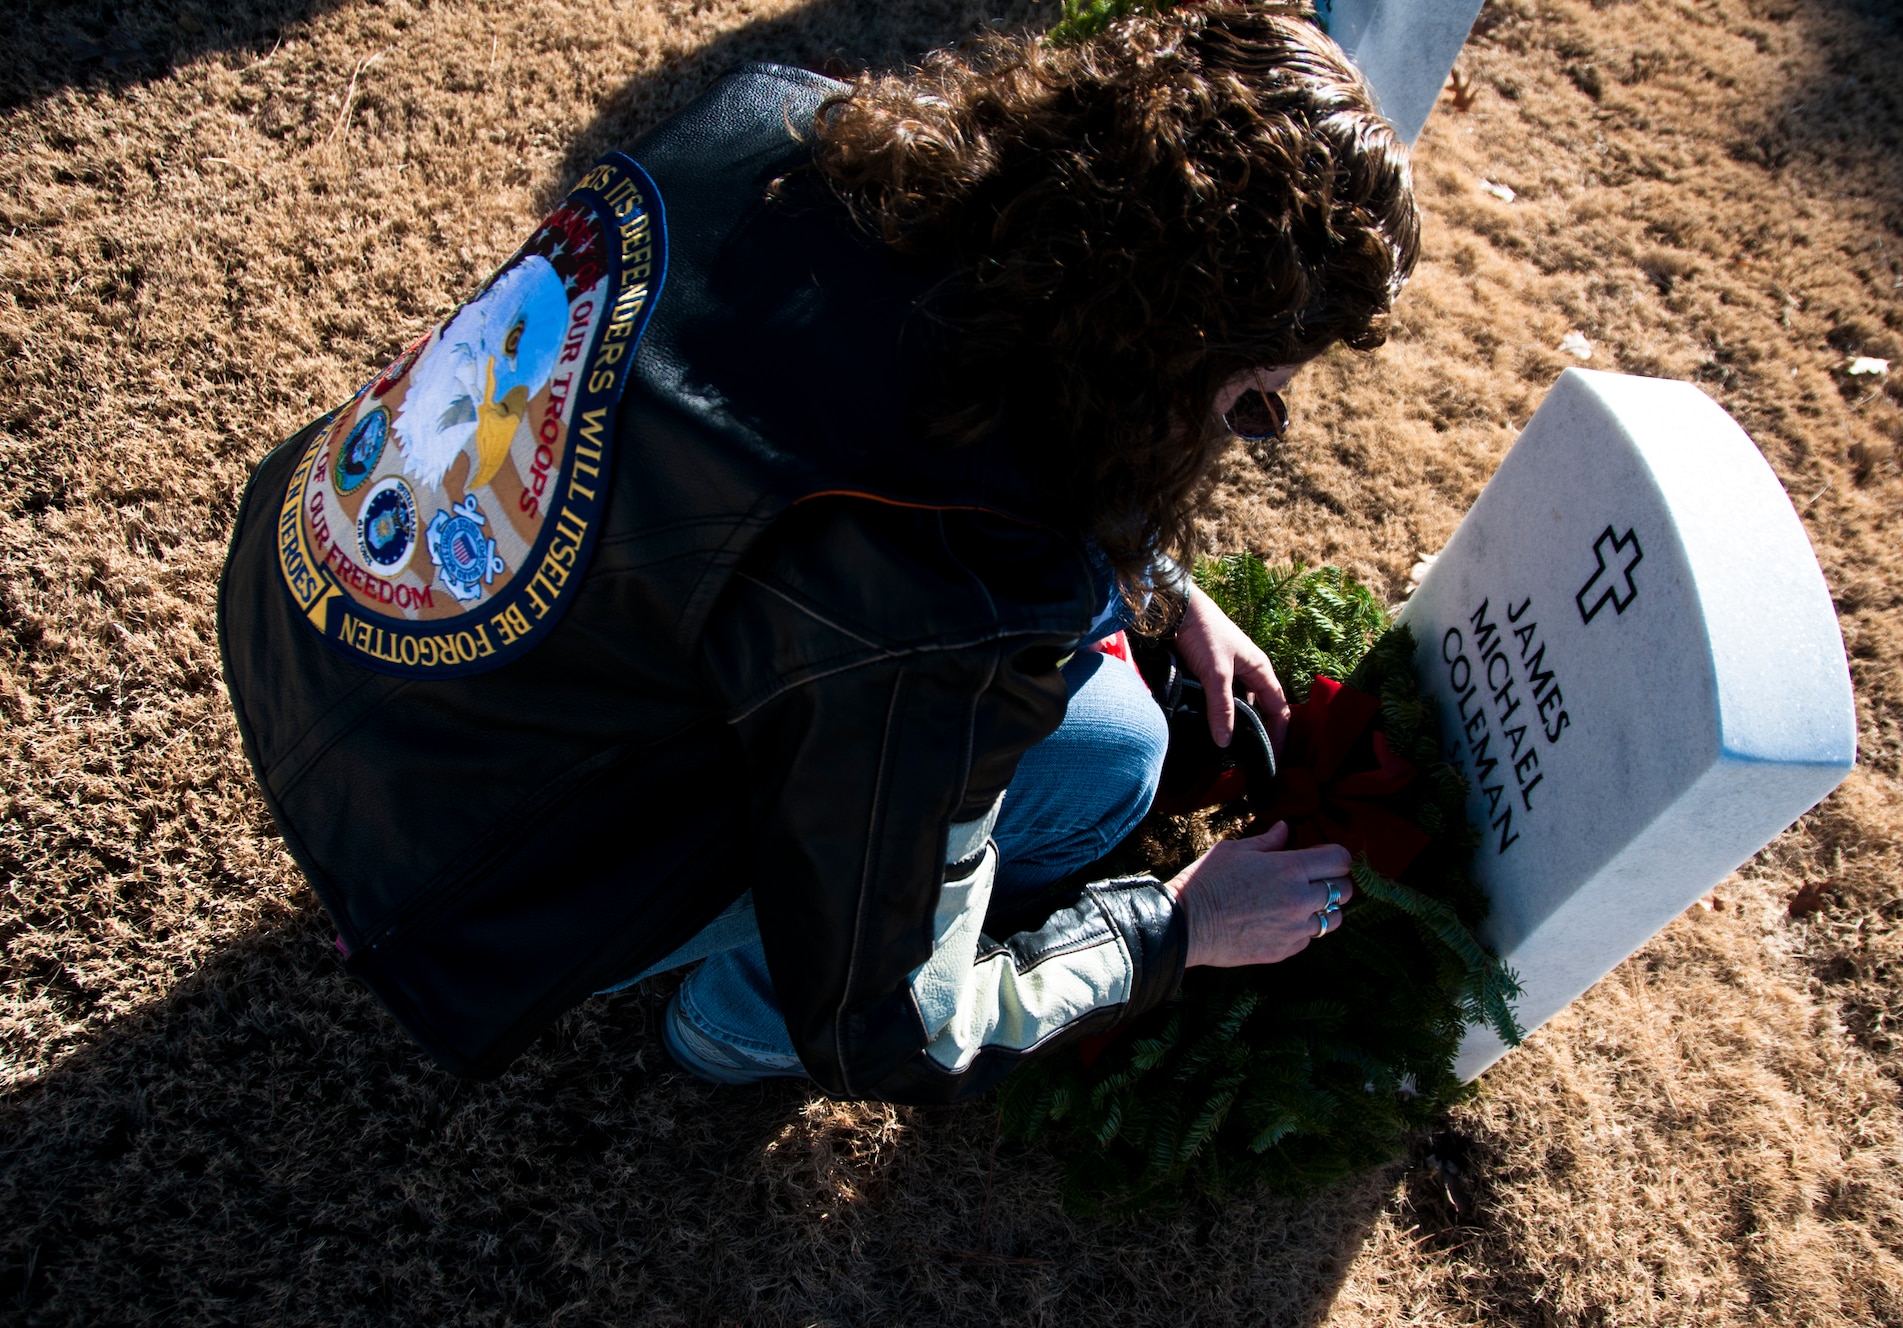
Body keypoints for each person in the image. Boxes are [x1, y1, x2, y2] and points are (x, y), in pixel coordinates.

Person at [216, 0, 1419, 1100]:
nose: (1235, 434)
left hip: (304, 586)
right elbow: (901, 1023)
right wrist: (1173, 928)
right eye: (1246, 401)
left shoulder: (788, 115)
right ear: (1161, 356)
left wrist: (1159, 582)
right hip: (446, 865)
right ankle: (737, 1027)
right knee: (1110, 752)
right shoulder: (958, 583)